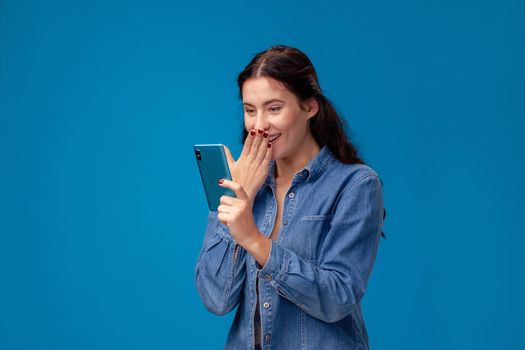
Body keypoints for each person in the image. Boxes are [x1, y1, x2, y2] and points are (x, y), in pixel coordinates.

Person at [195, 45, 385, 350]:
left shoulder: (356, 185)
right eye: (249, 110)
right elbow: (216, 299)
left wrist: (255, 240)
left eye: (274, 108)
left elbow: (338, 298)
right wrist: (236, 196)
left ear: (309, 107)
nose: (259, 125)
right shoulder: (238, 182)